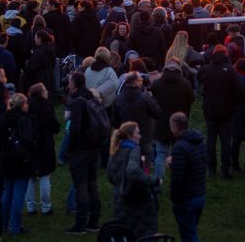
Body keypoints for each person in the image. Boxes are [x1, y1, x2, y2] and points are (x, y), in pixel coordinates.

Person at [65, 71, 104, 235]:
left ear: (74, 83)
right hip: (94, 147)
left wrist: (70, 149)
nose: (67, 84)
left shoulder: (77, 102)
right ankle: (94, 221)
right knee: (92, 184)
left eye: (69, 81)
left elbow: (74, 129)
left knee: (81, 186)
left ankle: (80, 224)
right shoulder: (92, 98)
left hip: (81, 149)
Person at [107, 121, 158, 238]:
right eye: (137, 133)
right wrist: (153, 180)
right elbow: (132, 172)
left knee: (125, 235)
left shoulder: (115, 150)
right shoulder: (134, 151)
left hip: (119, 200)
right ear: (130, 136)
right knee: (141, 235)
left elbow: (110, 176)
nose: (140, 136)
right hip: (135, 202)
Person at [198, 44, 242, 179]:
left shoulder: (206, 69)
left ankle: (211, 169)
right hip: (226, 110)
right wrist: (234, 104)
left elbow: (199, 81)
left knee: (210, 140)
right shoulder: (230, 70)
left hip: (210, 109)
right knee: (225, 141)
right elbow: (238, 91)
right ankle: (225, 169)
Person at [0, 92, 37, 236]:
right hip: (21, 161)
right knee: (18, 194)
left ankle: (3, 224)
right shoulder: (24, 120)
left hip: (6, 159)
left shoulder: (4, 118)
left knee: (7, 192)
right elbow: (28, 140)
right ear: (23, 105)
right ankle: (14, 226)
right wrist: (33, 144)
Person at [151, 59, 195, 180]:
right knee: (180, 154)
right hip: (180, 123)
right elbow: (191, 99)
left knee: (160, 154)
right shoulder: (185, 84)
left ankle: (158, 181)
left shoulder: (156, 84)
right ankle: (178, 179)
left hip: (161, 124)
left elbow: (153, 100)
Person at [169, 111, 207, 242]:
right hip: (200, 194)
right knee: (191, 229)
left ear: (175, 127)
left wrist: (175, 198)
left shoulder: (180, 147)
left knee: (189, 235)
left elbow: (178, 177)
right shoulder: (200, 142)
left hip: (187, 198)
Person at [112, 71, 161, 167]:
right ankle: (144, 178)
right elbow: (157, 113)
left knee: (127, 164)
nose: (142, 81)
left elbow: (114, 121)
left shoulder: (118, 99)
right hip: (143, 137)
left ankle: (127, 180)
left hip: (126, 138)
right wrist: (154, 99)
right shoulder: (145, 98)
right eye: (140, 79)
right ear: (134, 83)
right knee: (145, 165)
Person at [25, 82, 59, 216]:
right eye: (45, 90)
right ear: (41, 93)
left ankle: (30, 207)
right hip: (45, 144)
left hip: (30, 144)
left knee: (31, 177)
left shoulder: (26, 106)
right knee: (45, 176)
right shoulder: (46, 108)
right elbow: (55, 127)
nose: (47, 92)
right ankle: (46, 207)